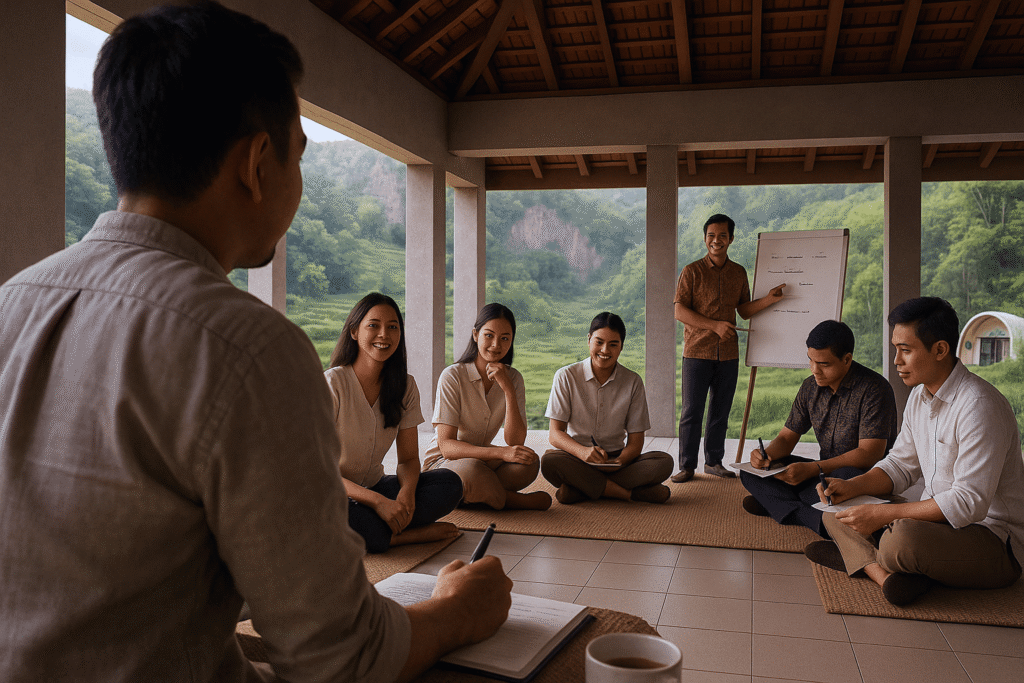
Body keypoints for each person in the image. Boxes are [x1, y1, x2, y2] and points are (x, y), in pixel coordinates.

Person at [0, 4, 512, 682]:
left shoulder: (12, 302)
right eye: (298, 154)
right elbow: (341, 657)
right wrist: (459, 610)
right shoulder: (247, 347)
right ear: (257, 162)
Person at [806, 298, 1024, 606]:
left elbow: (968, 504)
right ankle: (885, 575)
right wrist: (851, 487)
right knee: (839, 510)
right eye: (896, 349)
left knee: (902, 539)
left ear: (940, 350)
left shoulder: (979, 406)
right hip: (937, 528)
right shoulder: (919, 397)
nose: (896, 360)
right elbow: (900, 466)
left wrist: (883, 514)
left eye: (905, 350)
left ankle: (865, 558)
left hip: (992, 541)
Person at [325, 293, 463, 553]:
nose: (383, 335)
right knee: (329, 515)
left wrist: (406, 494)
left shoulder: (405, 386)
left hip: (375, 485)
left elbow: (408, 459)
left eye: (392, 327)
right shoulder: (332, 384)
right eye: (373, 325)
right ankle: (404, 536)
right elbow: (318, 471)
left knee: (449, 483)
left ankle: (376, 531)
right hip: (331, 493)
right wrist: (378, 502)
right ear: (354, 331)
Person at [739, 320, 898, 535]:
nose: (815, 370)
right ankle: (816, 516)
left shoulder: (874, 390)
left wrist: (814, 469)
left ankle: (781, 507)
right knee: (750, 473)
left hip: (861, 477)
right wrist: (765, 455)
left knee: (838, 480)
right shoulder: (810, 387)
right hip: (822, 472)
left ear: (847, 359)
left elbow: (870, 454)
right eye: (811, 361)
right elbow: (786, 438)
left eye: (824, 364)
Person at [672, 214, 785, 483]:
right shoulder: (691, 271)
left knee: (720, 412)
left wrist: (769, 299)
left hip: (729, 354)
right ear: (704, 238)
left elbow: (744, 311)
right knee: (691, 412)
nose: (716, 240)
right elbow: (679, 311)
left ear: (731, 239)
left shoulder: (738, 273)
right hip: (696, 353)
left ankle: (714, 462)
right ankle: (687, 466)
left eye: (722, 236)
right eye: (711, 235)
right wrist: (714, 326)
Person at [423, 304, 552, 510]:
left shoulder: (514, 378)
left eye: (504, 338)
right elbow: (447, 447)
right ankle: (510, 500)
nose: (495, 345)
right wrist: (501, 453)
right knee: (472, 470)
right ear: (475, 335)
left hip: (481, 461)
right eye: (489, 335)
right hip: (443, 463)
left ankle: (476, 492)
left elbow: (515, 441)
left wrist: (508, 389)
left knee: (528, 461)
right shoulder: (453, 376)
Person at [541, 312, 674, 504]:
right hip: (578, 458)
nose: (605, 350)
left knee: (664, 462)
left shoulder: (633, 381)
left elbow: (636, 443)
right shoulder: (566, 376)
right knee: (549, 462)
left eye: (613, 344)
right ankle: (628, 494)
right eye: (599, 342)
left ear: (621, 347)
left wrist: (618, 461)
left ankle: (579, 490)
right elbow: (555, 434)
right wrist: (583, 453)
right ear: (588, 340)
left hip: (617, 461)